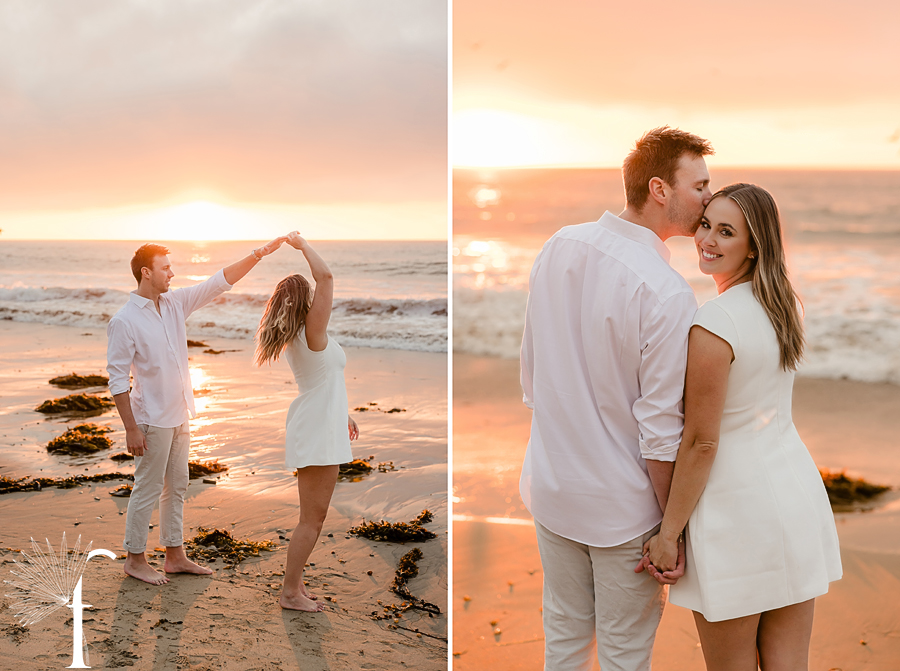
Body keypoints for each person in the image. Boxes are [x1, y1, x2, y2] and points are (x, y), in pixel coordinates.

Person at [519, 127, 713, 671]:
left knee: (563, 644)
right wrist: (672, 530)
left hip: (553, 489)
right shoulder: (667, 292)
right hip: (623, 511)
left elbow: (532, 375)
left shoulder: (559, 244)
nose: (706, 199)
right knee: (625, 657)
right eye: (698, 185)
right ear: (659, 189)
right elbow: (660, 430)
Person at [645, 183, 842, 670]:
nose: (707, 238)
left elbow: (701, 441)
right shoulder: (783, 306)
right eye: (707, 224)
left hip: (736, 516)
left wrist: (669, 534)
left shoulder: (714, 322)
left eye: (726, 231)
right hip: (795, 498)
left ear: (754, 245)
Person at [107, 237, 286, 585]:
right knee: (146, 487)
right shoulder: (124, 321)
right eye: (165, 268)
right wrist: (131, 428)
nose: (172, 274)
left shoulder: (175, 303)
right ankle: (135, 559)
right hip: (150, 419)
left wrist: (258, 254)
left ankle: (175, 556)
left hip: (179, 415)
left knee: (176, 487)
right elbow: (117, 381)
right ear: (146, 272)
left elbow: (218, 282)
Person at [255, 231, 359, 613]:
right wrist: (300, 246)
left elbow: (323, 381)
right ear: (305, 301)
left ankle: (293, 586)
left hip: (319, 422)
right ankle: (289, 593)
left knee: (311, 518)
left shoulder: (300, 337)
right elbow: (327, 278)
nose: (320, 299)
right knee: (311, 521)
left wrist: (341, 411)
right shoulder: (312, 333)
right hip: (316, 429)